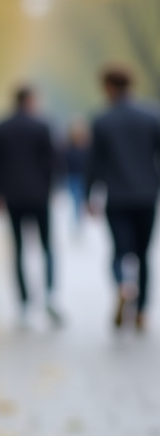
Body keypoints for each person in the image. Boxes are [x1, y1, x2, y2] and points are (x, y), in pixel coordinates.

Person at [85, 65, 160, 331]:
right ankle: (141, 312)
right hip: (147, 195)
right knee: (143, 254)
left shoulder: (102, 120)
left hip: (116, 197)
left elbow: (93, 163)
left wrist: (88, 196)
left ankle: (123, 286)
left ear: (108, 87)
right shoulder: (152, 116)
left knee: (119, 252)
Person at [0, 85, 62, 326]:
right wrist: (51, 189)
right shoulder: (42, 126)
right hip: (39, 195)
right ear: (30, 101)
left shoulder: (2, 127)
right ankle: (50, 296)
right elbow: (52, 161)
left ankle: (23, 303)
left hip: (13, 196)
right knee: (47, 247)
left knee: (18, 249)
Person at [64, 122, 90, 230]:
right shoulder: (69, 148)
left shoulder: (87, 148)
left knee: (82, 200)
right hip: (73, 177)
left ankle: (81, 221)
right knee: (76, 200)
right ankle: (78, 222)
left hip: (84, 177)